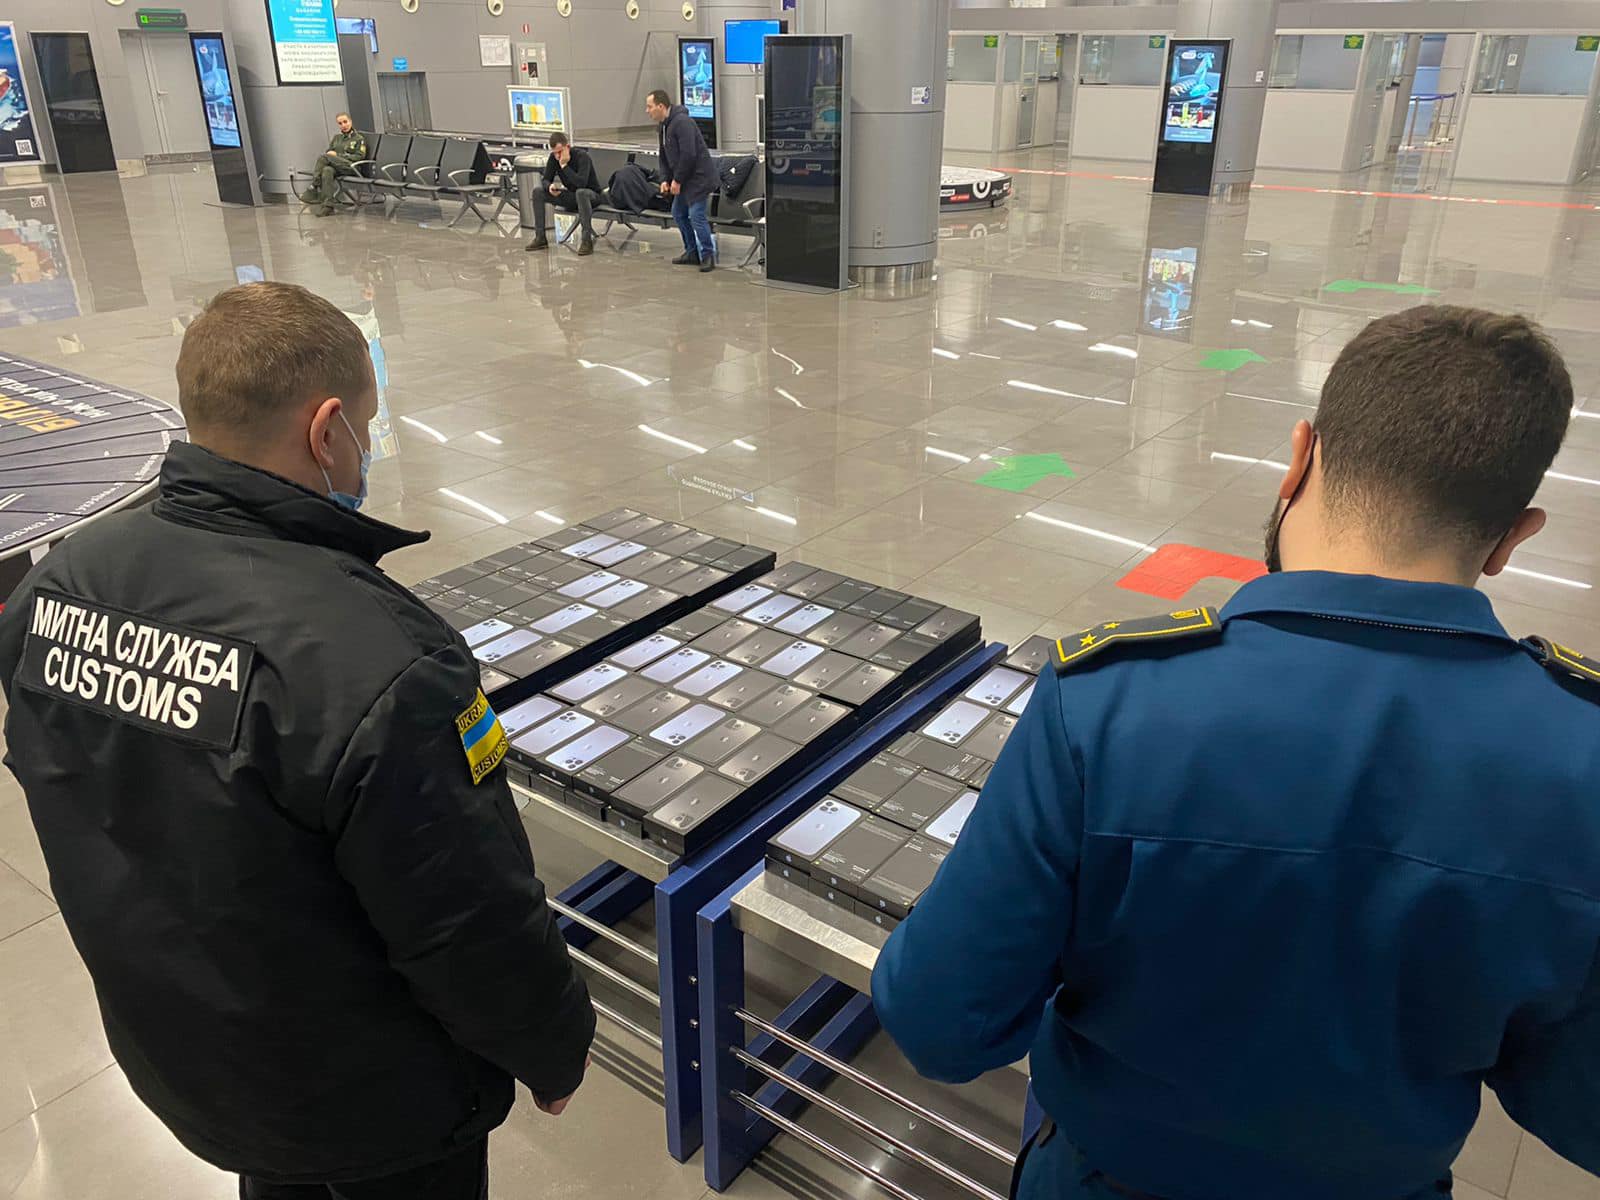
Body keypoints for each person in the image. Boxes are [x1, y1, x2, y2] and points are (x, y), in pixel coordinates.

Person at [873, 305, 1600, 1200]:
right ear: (1514, 538)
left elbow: (941, 1023)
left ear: (1299, 459)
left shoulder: (1107, 705)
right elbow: (1582, 1106)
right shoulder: (1583, 758)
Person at [0, 282, 595, 1199]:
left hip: (196, 1061)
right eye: (366, 423)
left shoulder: (59, 585)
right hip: (377, 1101)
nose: (365, 446)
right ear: (327, 431)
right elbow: (465, 917)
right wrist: (550, 1046)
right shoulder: (381, 662)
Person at [646, 88, 719, 272]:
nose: (647, 111)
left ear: (661, 106)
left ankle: (708, 254)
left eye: (649, 106)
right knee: (678, 213)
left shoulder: (682, 122)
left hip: (699, 178)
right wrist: (665, 179)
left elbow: (689, 155)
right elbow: (664, 156)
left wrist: (677, 180)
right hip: (684, 179)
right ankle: (692, 251)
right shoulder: (663, 127)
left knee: (696, 215)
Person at [525, 132, 602, 257]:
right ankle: (540, 238)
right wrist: (549, 186)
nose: (557, 156)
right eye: (555, 152)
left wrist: (564, 166)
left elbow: (581, 183)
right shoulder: (554, 158)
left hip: (591, 196)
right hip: (572, 196)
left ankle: (586, 240)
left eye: (560, 152)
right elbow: (545, 179)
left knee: (581, 193)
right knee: (538, 192)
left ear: (568, 147)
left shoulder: (582, 157)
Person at [301, 113, 367, 218]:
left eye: (345, 122)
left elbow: (359, 156)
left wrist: (338, 156)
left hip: (351, 167)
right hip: (337, 167)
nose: (343, 125)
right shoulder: (337, 138)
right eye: (340, 123)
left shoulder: (359, 138)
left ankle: (314, 186)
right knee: (327, 170)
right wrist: (332, 155)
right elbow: (329, 152)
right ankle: (328, 206)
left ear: (350, 121)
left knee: (323, 157)